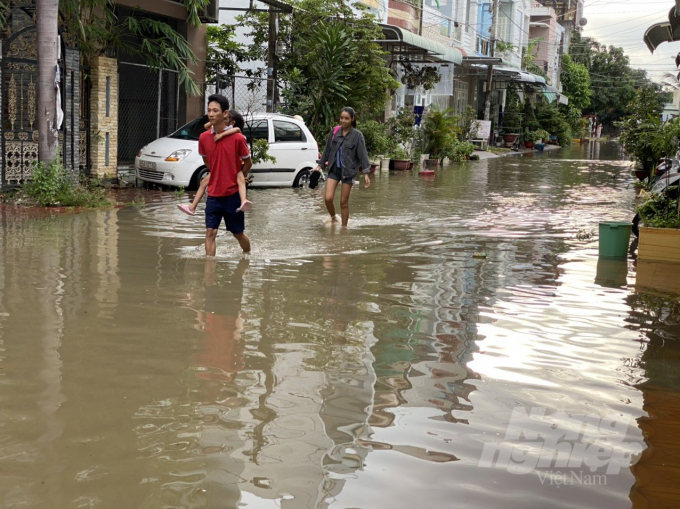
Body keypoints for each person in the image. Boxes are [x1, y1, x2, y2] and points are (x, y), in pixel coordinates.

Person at [198, 94, 252, 256]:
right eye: (209, 111)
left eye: (215, 111)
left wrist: (237, 176)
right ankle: (209, 273)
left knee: (237, 233)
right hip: (213, 194)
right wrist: (218, 173)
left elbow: (248, 163)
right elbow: (207, 162)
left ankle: (247, 255)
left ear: (225, 113)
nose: (211, 114)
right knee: (210, 233)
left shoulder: (237, 139)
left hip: (232, 195)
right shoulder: (203, 138)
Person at [178, 111, 252, 215]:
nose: (222, 120)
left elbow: (237, 129)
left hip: (234, 168)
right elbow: (205, 126)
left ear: (232, 123)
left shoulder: (237, 134)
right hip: (219, 167)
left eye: (225, 119)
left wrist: (222, 135)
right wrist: (216, 120)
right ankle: (192, 207)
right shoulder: (216, 131)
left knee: (240, 180)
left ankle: (244, 200)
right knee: (204, 182)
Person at [312, 107, 371, 226]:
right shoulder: (335, 132)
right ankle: (333, 218)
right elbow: (327, 150)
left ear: (352, 119)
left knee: (343, 203)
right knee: (328, 198)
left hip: (348, 172)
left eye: (346, 118)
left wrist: (366, 173)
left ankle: (344, 229)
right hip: (334, 169)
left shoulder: (357, 136)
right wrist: (319, 166)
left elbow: (363, 154)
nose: (343, 121)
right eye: (341, 118)